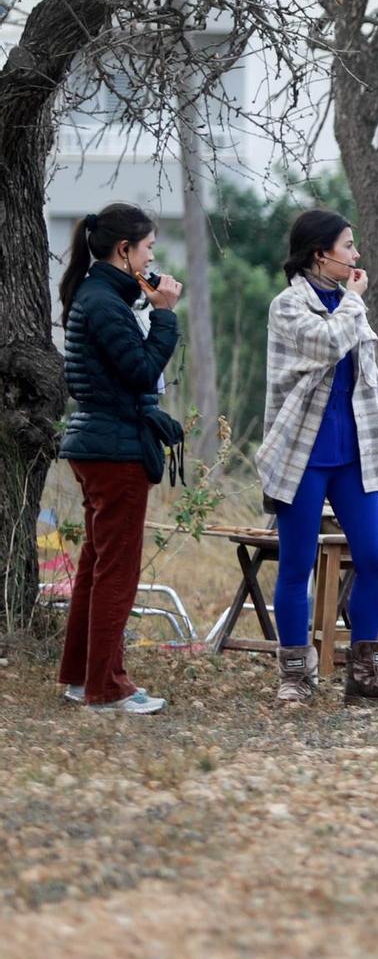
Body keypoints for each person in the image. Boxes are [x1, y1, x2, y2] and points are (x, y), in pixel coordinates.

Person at [255, 209, 378, 707]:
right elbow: (327, 343)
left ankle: (365, 673)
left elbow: (371, 377)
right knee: (298, 562)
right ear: (321, 253)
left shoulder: (350, 304)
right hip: (302, 453)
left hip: (354, 453)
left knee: (372, 556)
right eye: (349, 245)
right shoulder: (288, 306)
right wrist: (353, 302)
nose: (357, 253)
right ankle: (296, 674)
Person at [54, 204, 182, 714]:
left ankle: (83, 678)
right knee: (117, 570)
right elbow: (140, 370)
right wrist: (166, 314)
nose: (153, 256)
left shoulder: (103, 294)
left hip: (100, 445)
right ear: (124, 250)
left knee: (97, 564)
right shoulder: (104, 302)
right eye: (148, 247)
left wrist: (148, 304)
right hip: (114, 449)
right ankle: (107, 687)